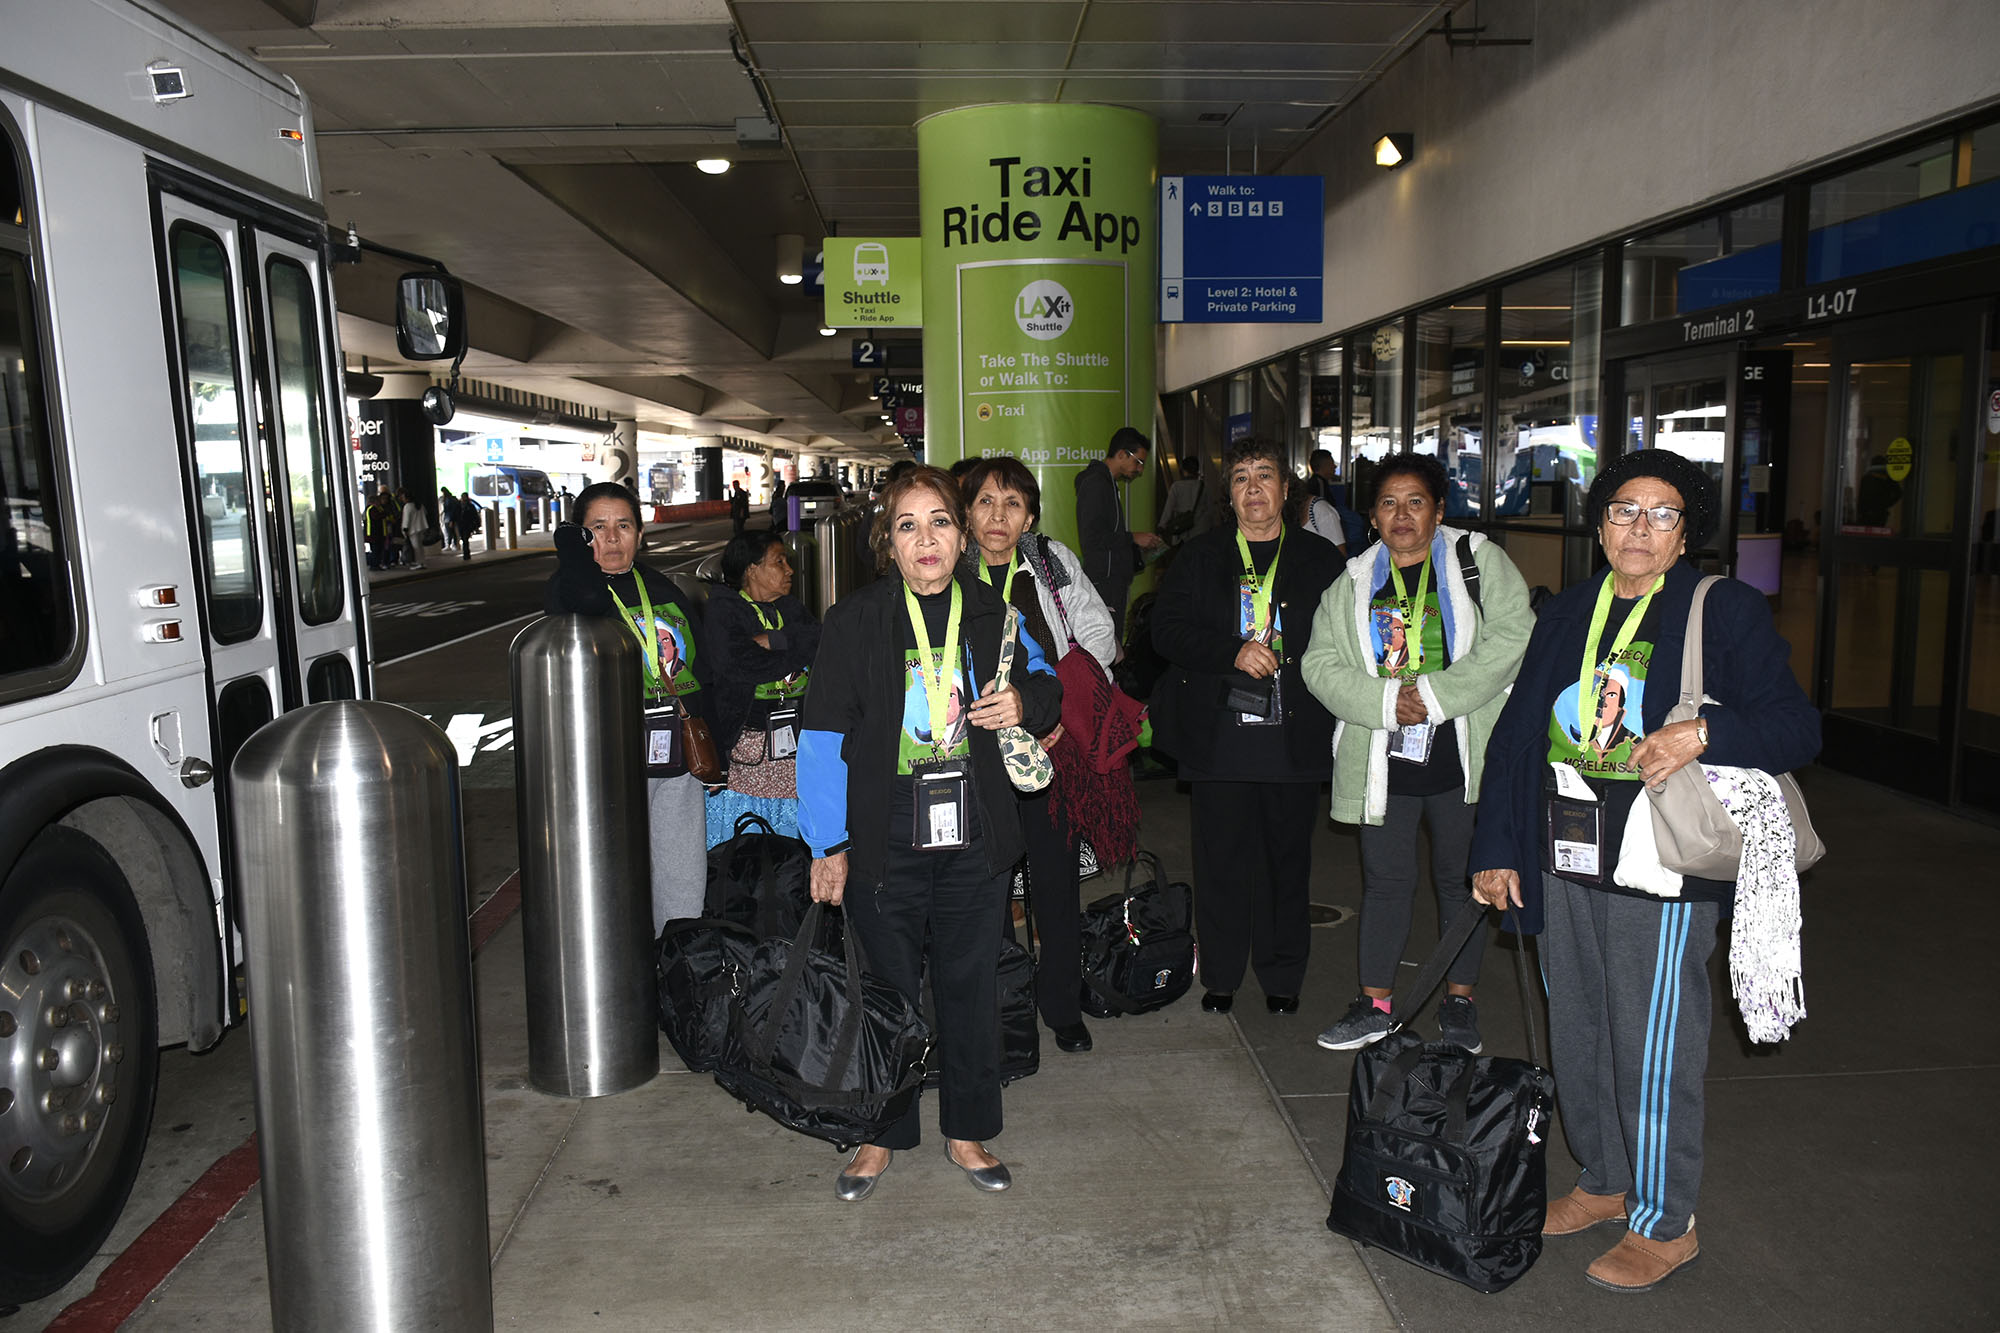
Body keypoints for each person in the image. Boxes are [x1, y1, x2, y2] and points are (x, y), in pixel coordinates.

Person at [1467, 448, 1820, 1293]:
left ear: (1684, 531)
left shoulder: (1718, 609)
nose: (1641, 528)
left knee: (1652, 1042)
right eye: (1626, 509)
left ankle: (1666, 1218)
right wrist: (1495, 846)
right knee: (1580, 1028)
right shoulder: (1572, 610)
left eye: (1662, 514)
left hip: (1661, 866)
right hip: (1567, 851)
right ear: (1600, 524)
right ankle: (1605, 1178)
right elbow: (1517, 733)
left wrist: (1704, 734)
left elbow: (1797, 727)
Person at [798, 464, 1062, 1202]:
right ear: (889, 540)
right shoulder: (856, 621)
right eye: (909, 524)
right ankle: (881, 1134)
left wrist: (1021, 701)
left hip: (975, 838)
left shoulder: (993, 612)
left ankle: (967, 1130)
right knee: (887, 992)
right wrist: (826, 843)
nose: (927, 538)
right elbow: (821, 737)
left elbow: (1049, 684)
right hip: (885, 839)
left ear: (961, 532)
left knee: (969, 985)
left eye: (940, 521)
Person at [1299, 453, 1532, 1056]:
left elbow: (1513, 637)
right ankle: (1375, 1003)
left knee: (1465, 884)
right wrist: (1384, 701)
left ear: (1439, 510)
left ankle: (1459, 1000)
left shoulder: (1478, 562)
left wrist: (1431, 696)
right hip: (1385, 759)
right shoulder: (1352, 581)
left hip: (1462, 756)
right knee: (1385, 882)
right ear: (1371, 516)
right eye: (1388, 503)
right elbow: (1319, 665)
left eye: (1416, 502)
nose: (1402, 516)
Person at [1148, 439, 1343, 1016]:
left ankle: (1283, 976)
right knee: (1221, 862)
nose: (1253, 488)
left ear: (1287, 490)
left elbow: (1347, 641)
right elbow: (1166, 630)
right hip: (1220, 739)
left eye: (1265, 476)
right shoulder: (1201, 556)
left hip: (1294, 737)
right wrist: (1231, 650)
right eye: (1240, 478)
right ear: (1227, 495)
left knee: (1288, 863)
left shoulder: (1320, 560)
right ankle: (1223, 975)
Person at [959, 456, 1123, 1056]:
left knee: (1054, 881)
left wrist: (1056, 708)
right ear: (967, 512)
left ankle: (1061, 1005)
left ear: (1029, 514)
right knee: (990, 883)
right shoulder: (949, 568)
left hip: (1050, 746)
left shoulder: (1051, 563)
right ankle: (1002, 1006)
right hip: (976, 754)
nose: (998, 516)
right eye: (985, 502)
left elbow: (1099, 634)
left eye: (1012, 504)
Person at [546, 481, 712, 932]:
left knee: (682, 878)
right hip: (608, 760)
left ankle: (679, 964)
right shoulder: (571, 588)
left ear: (640, 534)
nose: (613, 538)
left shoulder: (665, 588)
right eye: (597, 528)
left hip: (675, 754)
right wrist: (573, 552)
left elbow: (704, 665)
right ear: (580, 536)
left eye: (623, 526)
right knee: (615, 882)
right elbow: (591, 600)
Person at [703, 530, 819, 841]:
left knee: (793, 850)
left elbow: (823, 640)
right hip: (745, 754)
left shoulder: (789, 607)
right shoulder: (723, 609)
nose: (789, 569)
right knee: (745, 844)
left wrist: (777, 640)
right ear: (752, 569)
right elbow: (742, 665)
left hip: (795, 749)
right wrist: (797, 654)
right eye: (778, 562)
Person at [1074, 427, 1163, 640]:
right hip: (1105, 582)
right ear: (1122, 454)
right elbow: (1092, 537)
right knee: (1106, 644)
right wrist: (1132, 537)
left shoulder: (1107, 483)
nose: (1140, 470)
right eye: (1138, 462)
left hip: (1112, 580)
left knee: (1112, 643)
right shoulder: (1096, 483)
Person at [398, 489, 427, 570]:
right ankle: (422, 562)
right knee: (420, 546)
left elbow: (406, 519)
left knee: (416, 547)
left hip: (412, 529)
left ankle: (419, 563)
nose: (402, 499)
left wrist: (405, 529)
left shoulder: (407, 506)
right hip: (421, 527)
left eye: (403, 497)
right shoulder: (419, 505)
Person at [456, 492, 483, 560]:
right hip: (462, 525)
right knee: (463, 539)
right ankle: (466, 553)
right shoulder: (459, 506)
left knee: (465, 539)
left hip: (467, 525)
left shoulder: (470, 506)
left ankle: (466, 554)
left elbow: (474, 516)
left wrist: (476, 525)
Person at [439, 488, 462, 552]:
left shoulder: (448, 500)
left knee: (449, 532)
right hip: (451, 518)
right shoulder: (452, 499)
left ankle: (449, 545)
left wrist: (451, 520)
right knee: (453, 532)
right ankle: (454, 545)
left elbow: (449, 510)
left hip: (448, 518)